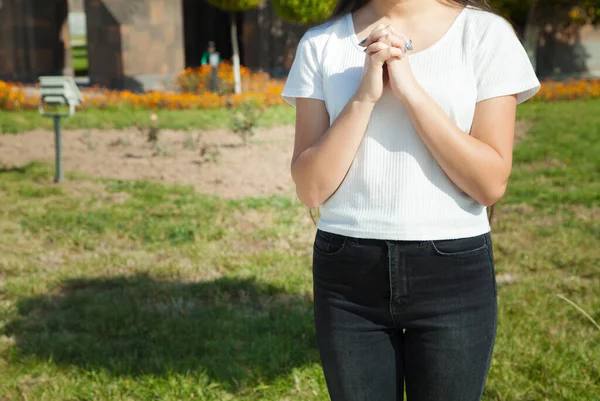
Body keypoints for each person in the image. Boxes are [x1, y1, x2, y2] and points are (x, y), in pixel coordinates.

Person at [281, 0, 540, 400]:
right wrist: (364, 98)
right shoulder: (321, 44)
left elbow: (489, 184)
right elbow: (311, 188)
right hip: (347, 271)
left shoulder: (485, 35)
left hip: (453, 267)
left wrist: (409, 90)